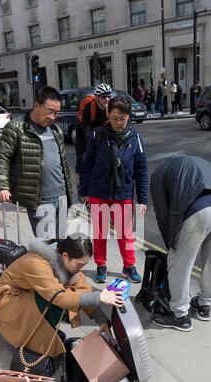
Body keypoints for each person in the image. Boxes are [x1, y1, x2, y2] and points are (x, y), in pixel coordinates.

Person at [0, 234, 124, 357]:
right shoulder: (36, 262)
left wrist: (102, 321)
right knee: (58, 304)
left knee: (70, 300)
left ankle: (41, 330)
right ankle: (18, 338)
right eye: (80, 264)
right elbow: (57, 296)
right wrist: (99, 297)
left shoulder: (67, 261)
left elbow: (83, 290)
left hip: (28, 293)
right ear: (65, 255)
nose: (82, 269)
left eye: (84, 265)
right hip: (8, 299)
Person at [150, 154, 211, 332]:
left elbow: (162, 213)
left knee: (179, 262)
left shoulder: (159, 174)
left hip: (200, 210)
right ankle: (203, 305)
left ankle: (179, 315)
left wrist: (171, 245)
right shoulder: (201, 162)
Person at [79, 96, 149, 283]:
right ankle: (101, 265)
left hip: (123, 194)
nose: (118, 123)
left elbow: (141, 171)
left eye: (123, 119)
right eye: (115, 118)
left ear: (128, 117)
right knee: (99, 233)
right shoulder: (97, 135)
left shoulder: (135, 138)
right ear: (108, 114)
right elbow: (86, 166)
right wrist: (83, 191)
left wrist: (142, 199)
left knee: (125, 234)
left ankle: (129, 266)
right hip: (98, 193)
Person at [0, 86, 73, 239]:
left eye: (56, 113)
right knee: (47, 245)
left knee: (62, 243)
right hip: (40, 201)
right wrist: (2, 187)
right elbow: (2, 158)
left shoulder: (55, 130)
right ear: (37, 105)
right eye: (49, 111)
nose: (53, 117)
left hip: (62, 196)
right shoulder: (16, 128)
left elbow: (62, 163)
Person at [75, 83, 112, 191]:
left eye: (109, 96)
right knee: (82, 161)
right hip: (83, 133)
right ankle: (80, 186)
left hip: (98, 132)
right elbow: (87, 130)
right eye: (104, 97)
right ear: (97, 98)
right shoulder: (89, 107)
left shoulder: (108, 108)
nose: (107, 99)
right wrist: (90, 148)